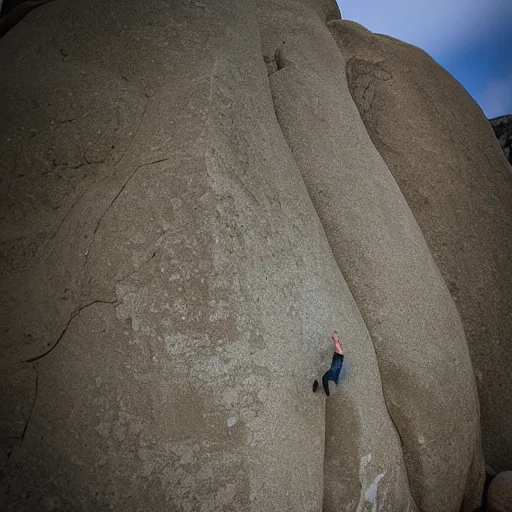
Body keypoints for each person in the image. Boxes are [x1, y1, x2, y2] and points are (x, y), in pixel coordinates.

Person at [313, 331, 344, 396]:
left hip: (332, 373)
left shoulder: (339, 356)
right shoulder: (339, 356)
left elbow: (338, 346)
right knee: (327, 377)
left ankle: (321, 388)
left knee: (326, 377)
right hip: (333, 374)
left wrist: (335, 337)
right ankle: (321, 388)